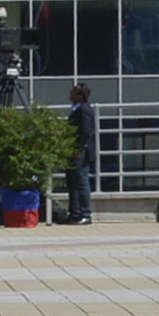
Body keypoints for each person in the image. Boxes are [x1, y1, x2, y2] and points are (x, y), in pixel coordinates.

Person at [66, 82, 98, 224]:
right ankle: (74, 213)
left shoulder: (84, 109)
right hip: (72, 150)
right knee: (72, 182)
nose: (71, 93)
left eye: (74, 91)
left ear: (80, 95)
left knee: (81, 182)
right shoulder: (76, 108)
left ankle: (85, 214)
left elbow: (85, 131)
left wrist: (78, 149)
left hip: (80, 152)